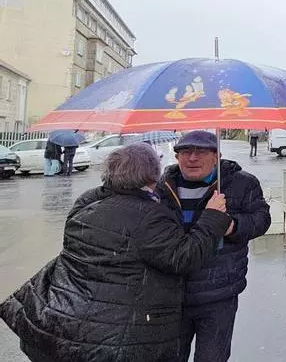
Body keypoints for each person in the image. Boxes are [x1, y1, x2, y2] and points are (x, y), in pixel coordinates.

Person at [0, 144, 230, 362]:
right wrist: (212, 217)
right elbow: (185, 257)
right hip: (114, 336)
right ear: (151, 176)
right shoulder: (149, 216)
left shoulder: (87, 202)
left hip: (65, 320)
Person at [155, 130, 270, 362]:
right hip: (173, 293)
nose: (192, 158)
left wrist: (233, 226)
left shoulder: (242, 183)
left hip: (218, 293)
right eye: (185, 152)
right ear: (176, 157)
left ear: (217, 156)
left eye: (201, 152)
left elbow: (261, 219)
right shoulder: (163, 186)